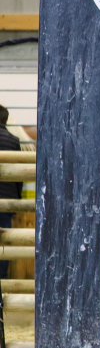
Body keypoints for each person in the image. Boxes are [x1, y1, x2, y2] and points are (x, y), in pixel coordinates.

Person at [0, 105, 24, 280]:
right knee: (3, 243)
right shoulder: (13, 140)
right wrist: (17, 201)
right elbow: (19, 175)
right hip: (7, 200)